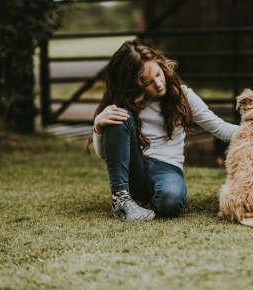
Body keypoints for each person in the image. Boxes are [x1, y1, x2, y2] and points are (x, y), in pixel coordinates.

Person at [85, 39, 242, 221]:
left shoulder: (183, 96)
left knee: (171, 200)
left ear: (162, 65)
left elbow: (220, 128)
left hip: (167, 168)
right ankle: (122, 201)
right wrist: (98, 126)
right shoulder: (122, 105)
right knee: (118, 116)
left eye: (159, 74)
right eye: (147, 83)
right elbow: (105, 156)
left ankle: (139, 206)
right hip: (133, 168)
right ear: (132, 86)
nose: (159, 84)